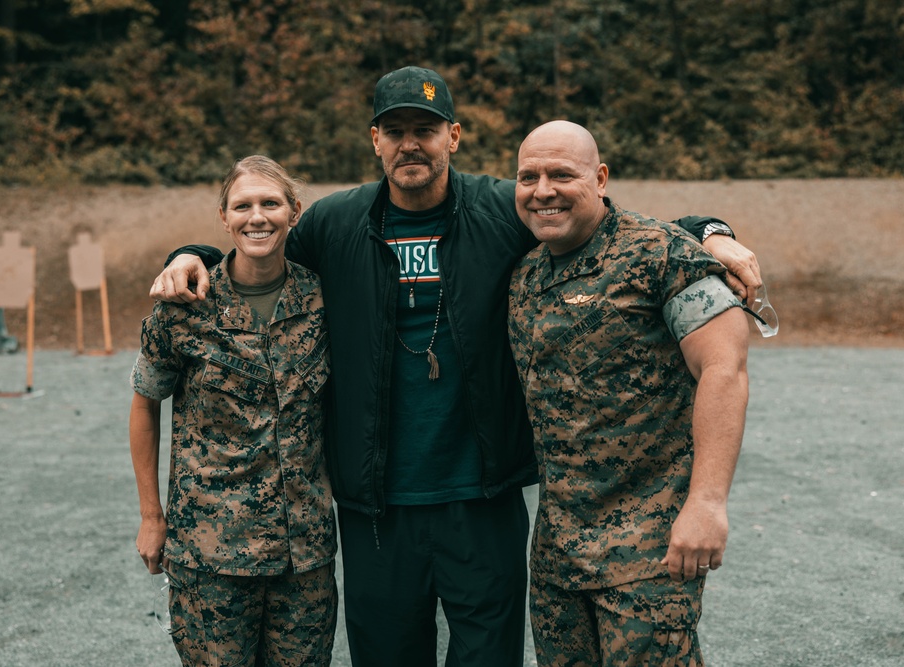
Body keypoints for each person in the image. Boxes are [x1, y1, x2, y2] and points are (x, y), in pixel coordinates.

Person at [149, 67, 762, 667]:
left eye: (426, 128)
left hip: (482, 498)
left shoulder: (506, 207)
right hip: (376, 509)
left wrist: (708, 232)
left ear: (454, 136)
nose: (410, 143)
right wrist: (191, 252)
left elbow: (603, 224)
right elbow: (258, 244)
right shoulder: (335, 224)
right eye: (395, 131)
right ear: (376, 141)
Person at [507, 120, 750, 666]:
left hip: (650, 555)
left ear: (600, 178)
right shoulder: (524, 274)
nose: (543, 190)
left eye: (561, 174)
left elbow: (724, 369)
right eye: (529, 176)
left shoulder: (663, 255)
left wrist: (707, 502)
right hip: (556, 558)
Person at [129, 156, 336, 666]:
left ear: (294, 211)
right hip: (211, 553)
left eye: (271, 203)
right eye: (242, 206)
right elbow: (144, 407)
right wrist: (152, 517)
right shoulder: (184, 306)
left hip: (303, 556)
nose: (257, 217)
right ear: (224, 217)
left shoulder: (324, 299)